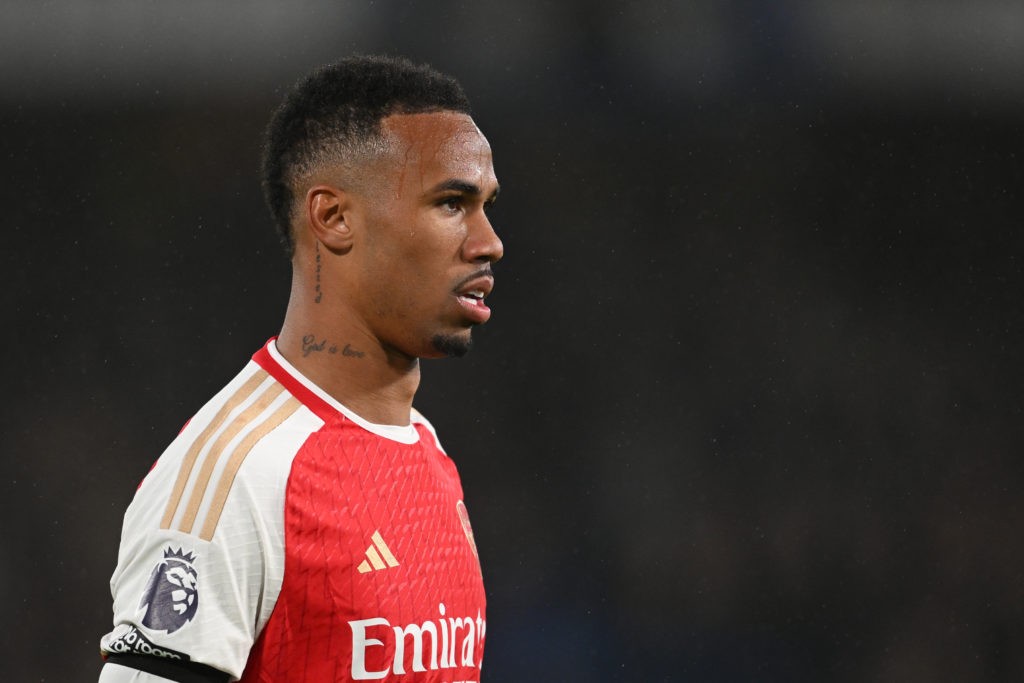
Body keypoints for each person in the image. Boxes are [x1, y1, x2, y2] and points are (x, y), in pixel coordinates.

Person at [98, 55, 503, 682]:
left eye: (485, 206)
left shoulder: (423, 447)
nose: (488, 241)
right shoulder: (237, 475)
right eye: (452, 203)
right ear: (333, 218)